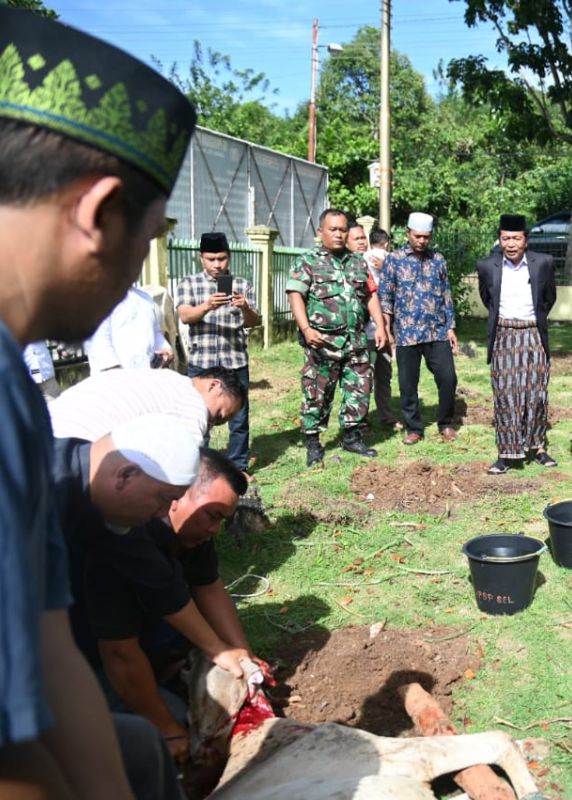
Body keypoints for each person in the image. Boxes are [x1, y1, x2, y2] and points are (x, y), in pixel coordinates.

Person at [0, 8, 197, 796]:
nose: (133, 279)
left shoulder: (18, 386)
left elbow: (49, 652)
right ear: (97, 213)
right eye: (144, 242)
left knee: (134, 754)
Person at [75, 448, 261, 762]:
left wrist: (244, 659)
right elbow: (119, 652)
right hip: (88, 659)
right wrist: (167, 729)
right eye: (212, 516)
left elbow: (209, 587)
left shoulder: (195, 532)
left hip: (145, 636)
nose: (215, 529)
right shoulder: (124, 542)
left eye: (221, 520)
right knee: (174, 721)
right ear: (176, 496)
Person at [287, 209, 388, 467]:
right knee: (317, 394)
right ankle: (313, 443)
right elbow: (295, 295)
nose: (339, 234)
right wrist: (307, 329)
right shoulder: (308, 261)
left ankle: (352, 437)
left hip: (355, 342)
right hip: (322, 343)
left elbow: (370, 295)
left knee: (359, 389)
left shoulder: (357, 262)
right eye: (333, 229)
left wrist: (380, 326)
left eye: (343, 229)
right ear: (320, 232)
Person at [476, 214, 558, 474]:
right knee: (505, 395)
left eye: (516, 238)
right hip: (503, 334)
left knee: (536, 393)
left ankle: (537, 448)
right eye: (505, 238)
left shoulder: (543, 263)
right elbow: (487, 299)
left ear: (526, 240)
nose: (510, 244)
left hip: (533, 334)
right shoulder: (487, 266)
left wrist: (532, 322)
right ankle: (506, 453)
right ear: (499, 239)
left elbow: (548, 299)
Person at [175, 231, 260, 472]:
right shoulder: (189, 283)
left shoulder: (242, 284)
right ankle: (199, 466)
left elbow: (254, 322)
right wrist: (207, 306)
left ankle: (238, 466)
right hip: (202, 362)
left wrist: (245, 308)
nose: (217, 265)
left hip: (234, 360)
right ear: (201, 258)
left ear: (229, 257)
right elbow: (184, 315)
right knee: (196, 415)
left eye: (221, 258)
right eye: (211, 259)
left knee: (239, 418)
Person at [379, 212, 460, 444]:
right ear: (408, 233)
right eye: (417, 236)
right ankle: (414, 428)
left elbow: (446, 295)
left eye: (426, 237)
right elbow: (385, 297)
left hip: (437, 330)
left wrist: (451, 327)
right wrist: (387, 328)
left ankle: (445, 422)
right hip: (406, 333)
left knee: (448, 378)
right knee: (407, 383)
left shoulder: (438, 260)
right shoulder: (394, 260)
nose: (422, 241)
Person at [51, 366, 245, 444]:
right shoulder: (192, 401)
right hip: (76, 445)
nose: (212, 424)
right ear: (213, 385)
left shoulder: (167, 379)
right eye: (219, 415)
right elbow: (189, 464)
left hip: (46, 430)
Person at [87, 284, 175, 372]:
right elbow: (99, 342)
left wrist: (165, 349)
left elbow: (156, 333)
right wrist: (116, 374)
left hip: (146, 375)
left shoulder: (145, 298)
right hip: (113, 378)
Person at [364, 227, 399, 427]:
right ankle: (373, 417)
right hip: (376, 329)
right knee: (378, 376)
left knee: (373, 375)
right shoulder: (389, 258)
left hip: (377, 329)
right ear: (386, 242)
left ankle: (375, 417)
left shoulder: (363, 257)